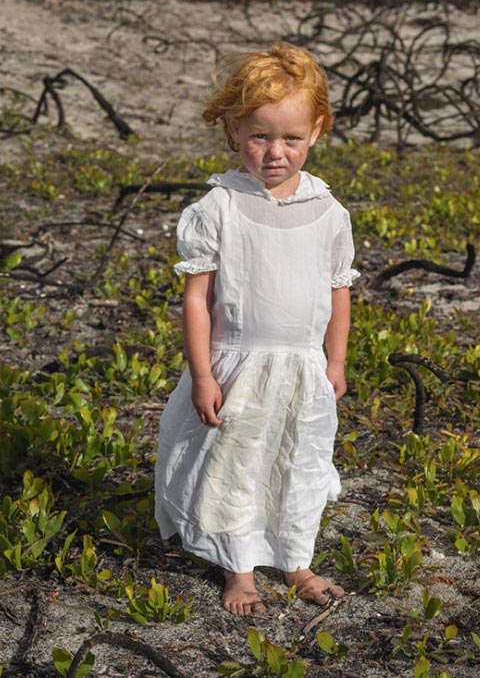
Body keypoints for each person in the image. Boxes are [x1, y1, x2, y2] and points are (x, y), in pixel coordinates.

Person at [154, 41, 359, 616]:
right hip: (238, 362)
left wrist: (335, 361)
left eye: (291, 137)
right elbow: (198, 299)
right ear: (233, 131)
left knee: (298, 460)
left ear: (316, 132)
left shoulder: (329, 211)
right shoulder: (218, 206)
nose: (275, 152)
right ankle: (239, 571)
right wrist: (202, 374)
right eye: (259, 136)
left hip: (302, 366)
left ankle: (295, 560)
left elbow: (338, 291)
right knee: (235, 466)